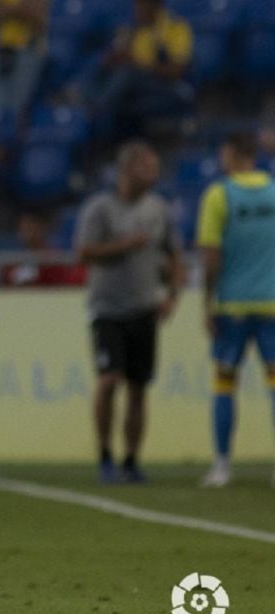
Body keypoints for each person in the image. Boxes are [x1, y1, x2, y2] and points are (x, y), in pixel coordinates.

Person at [74, 141, 182, 483]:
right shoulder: (100, 209)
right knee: (108, 381)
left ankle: (131, 459)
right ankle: (105, 454)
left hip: (144, 308)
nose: (154, 174)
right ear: (127, 169)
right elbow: (84, 252)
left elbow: (175, 256)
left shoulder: (159, 210)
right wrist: (125, 244)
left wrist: (172, 297)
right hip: (107, 308)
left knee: (138, 387)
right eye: (147, 167)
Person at [196, 133, 275, 488]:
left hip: (233, 305)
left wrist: (207, 303)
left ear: (229, 154)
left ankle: (222, 465)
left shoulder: (219, 195)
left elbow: (211, 255)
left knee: (225, 383)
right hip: (273, 304)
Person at [87, 0, 193, 140]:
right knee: (100, 66)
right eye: (137, 3)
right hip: (140, 90)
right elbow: (112, 61)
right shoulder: (134, 30)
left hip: (171, 89)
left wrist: (140, 64)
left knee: (127, 74)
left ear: (156, 4)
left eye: (143, 4)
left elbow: (177, 71)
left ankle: (95, 108)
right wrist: (116, 55)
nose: (138, 9)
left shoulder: (175, 26)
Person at [0, 0, 50, 119]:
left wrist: (6, 7)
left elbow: (37, 14)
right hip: (2, 50)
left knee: (18, 112)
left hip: (29, 49)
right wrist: (21, 6)